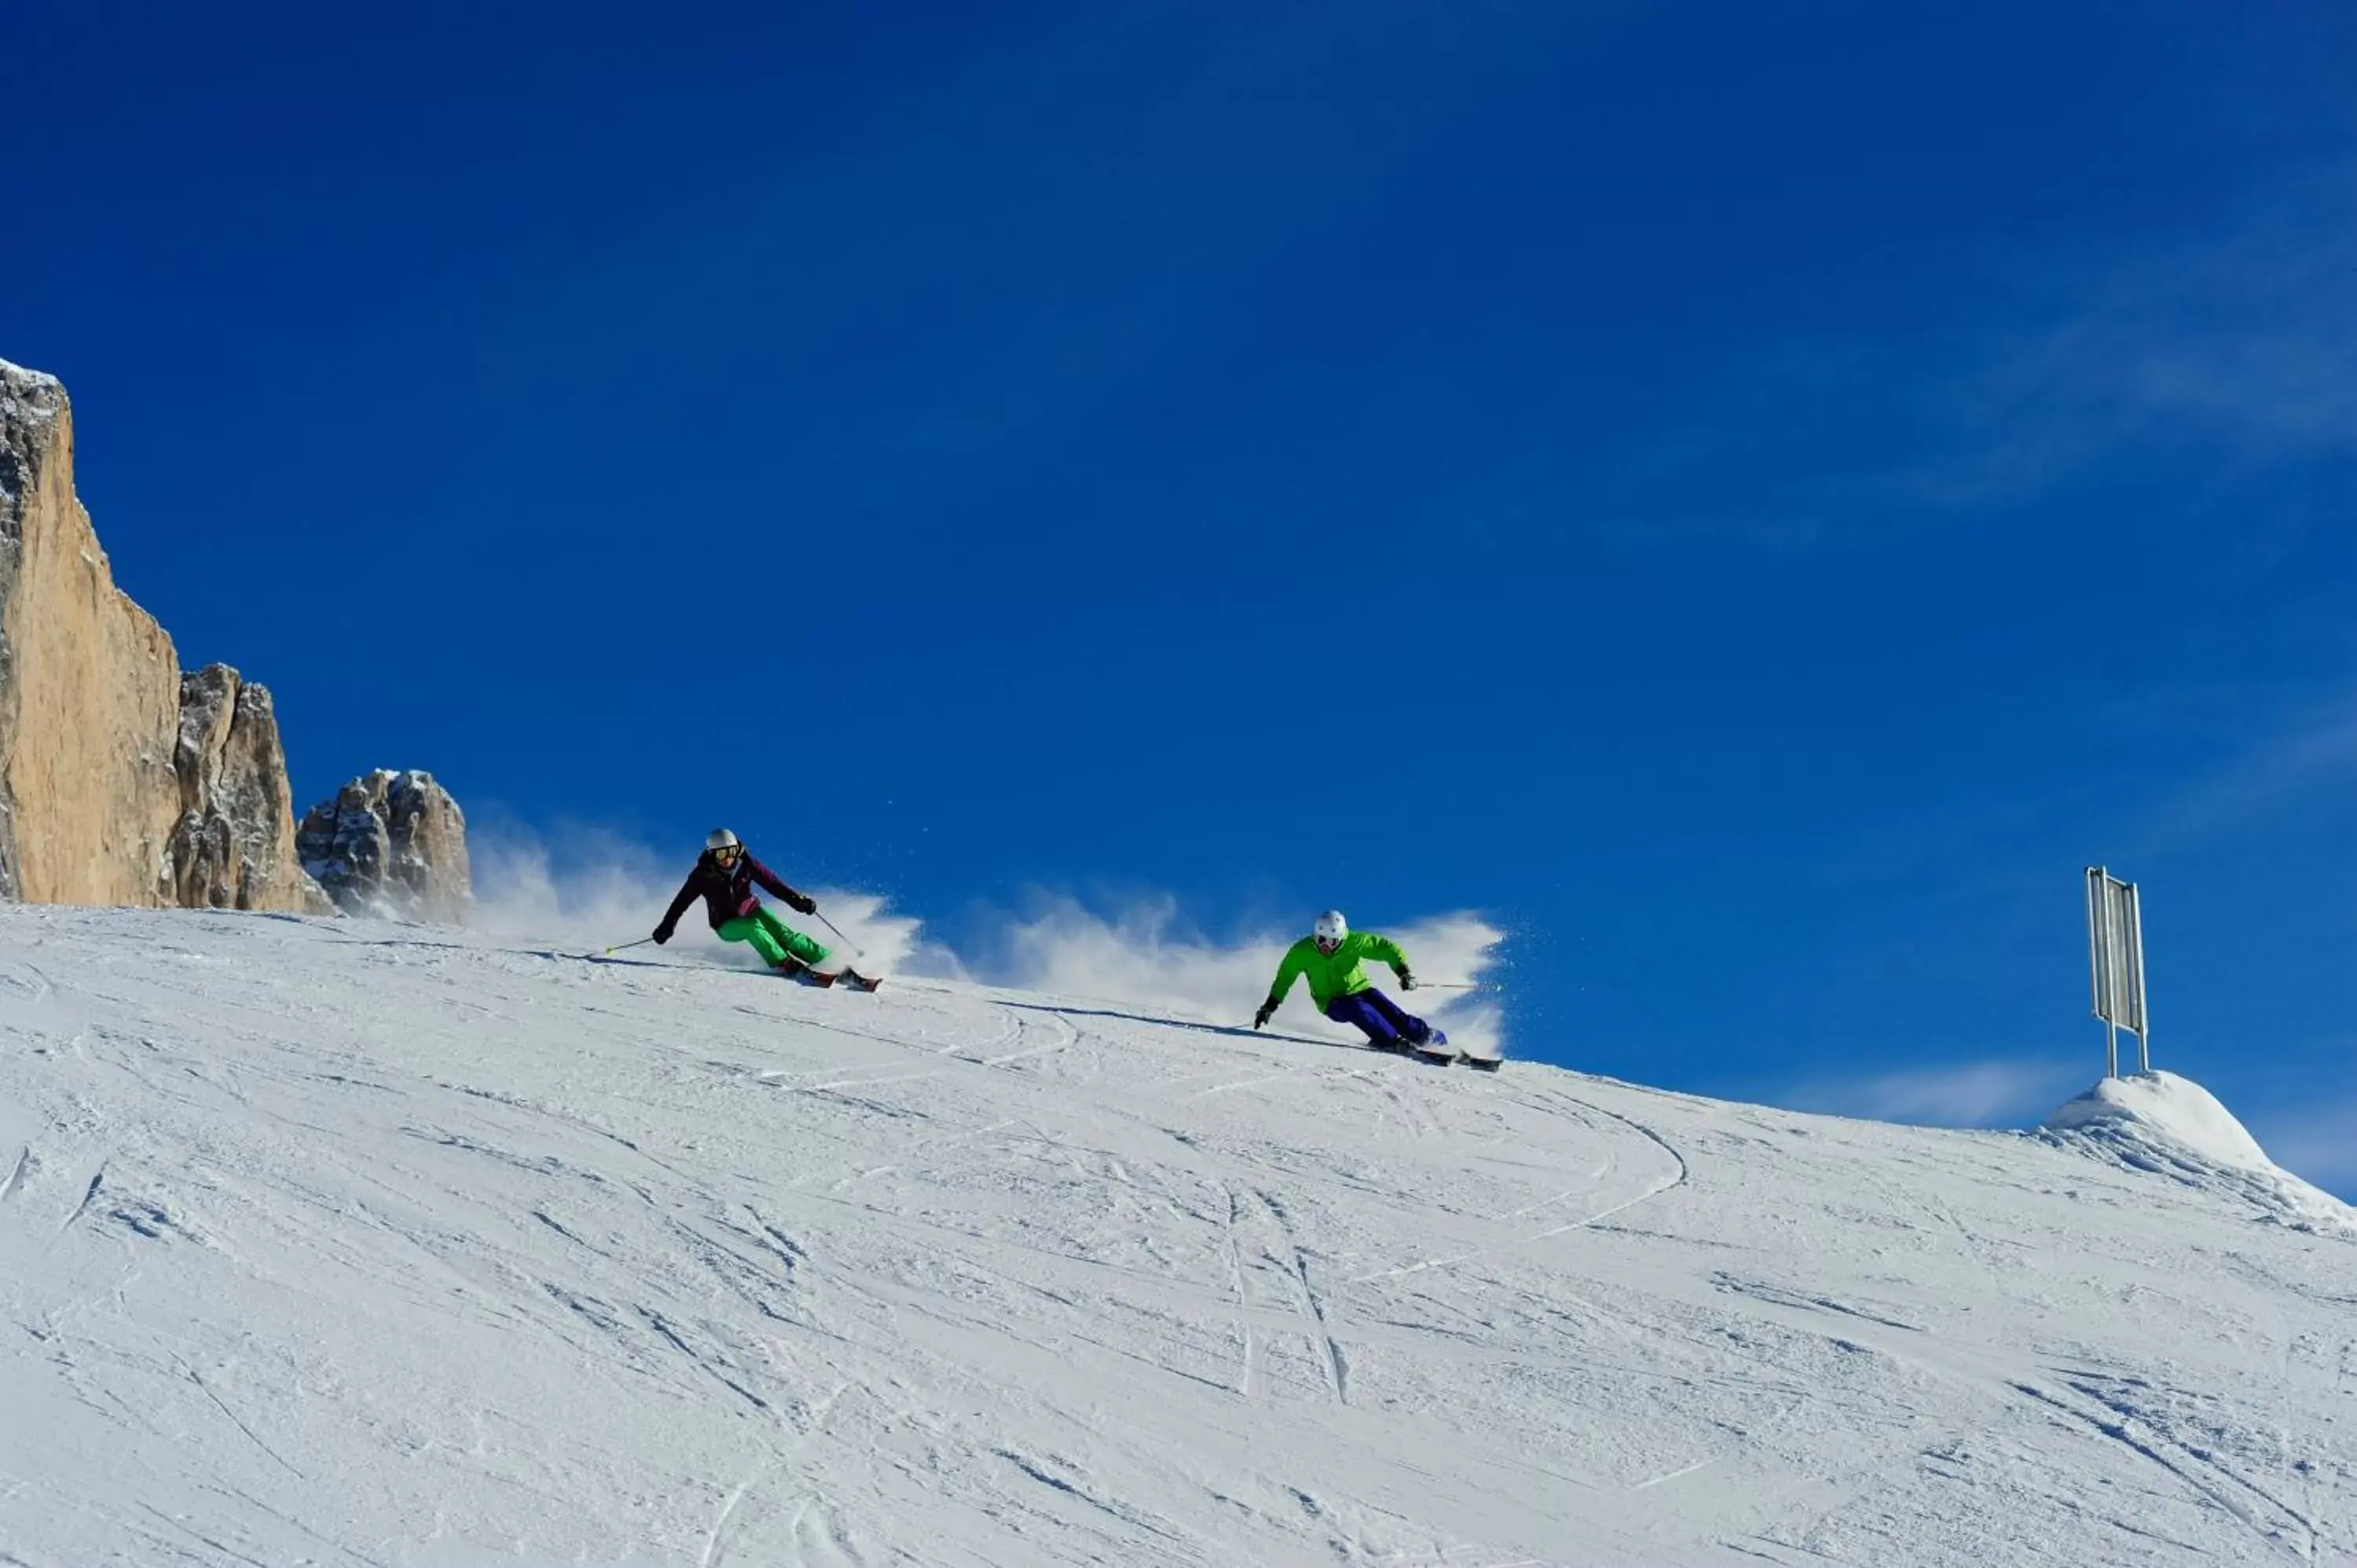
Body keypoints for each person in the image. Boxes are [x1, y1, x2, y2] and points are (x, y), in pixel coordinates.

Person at [653, 829, 877, 991]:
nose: (728, 859)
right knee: (754, 928)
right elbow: (680, 903)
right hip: (726, 925)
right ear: (712, 854)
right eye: (722, 854)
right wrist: (666, 927)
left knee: (785, 934)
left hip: (751, 909)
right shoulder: (701, 875)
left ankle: (829, 961)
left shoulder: (747, 863)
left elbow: (773, 883)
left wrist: (797, 901)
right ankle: (786, 964)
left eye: (731, 852)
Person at [1253, 909, 1439, 1050]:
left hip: (1362, 990)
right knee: (1359, 1009)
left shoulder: (1354, 942)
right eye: (1321, 940)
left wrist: (1403, 972)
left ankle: (1431, 1038)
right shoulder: (1301, 952)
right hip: (1331, 1001)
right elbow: (1285, 978)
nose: (1325, 946)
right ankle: (1391, 1042)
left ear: (1341, 939)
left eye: (1332, 941)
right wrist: (1269, 1006)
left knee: (1399, 1019)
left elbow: (1386, 949)